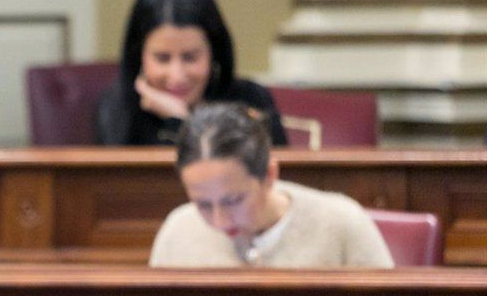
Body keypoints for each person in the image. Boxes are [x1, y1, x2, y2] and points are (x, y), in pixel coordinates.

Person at [150, 103, 394, 268]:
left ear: (269, 174)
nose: (220, 220)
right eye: (203, 205)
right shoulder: (177, 231)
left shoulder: (341, 223)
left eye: (232, 201)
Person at [96, 0, 288, 146]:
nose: (177, 75)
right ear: (139, 55)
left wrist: (180, 121)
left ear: (214, 52)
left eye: (190, 57)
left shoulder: (250, 100)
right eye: (162, 58)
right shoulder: (117, 111)